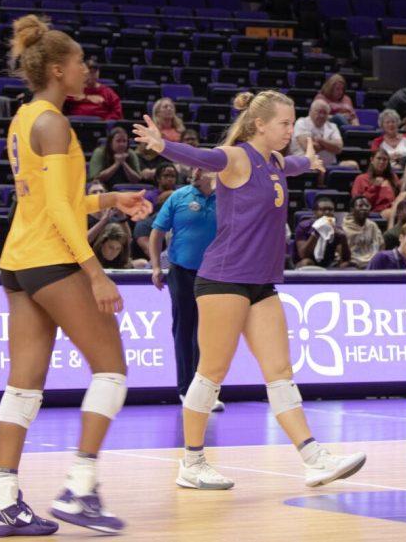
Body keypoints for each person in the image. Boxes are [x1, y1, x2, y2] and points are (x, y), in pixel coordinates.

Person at [133, 92, 366, 491]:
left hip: (261, 281)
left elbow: (289, 166)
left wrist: (307, 162)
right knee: (211, 373)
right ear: (260, 124)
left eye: (293, 124)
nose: (291, 130)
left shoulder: (275, 160)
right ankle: (191, 462)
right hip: (224, 278)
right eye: (284, 124)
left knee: (280, 372)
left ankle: (314, 458)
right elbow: (203, 158)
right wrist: (163, 145)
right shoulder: (237, 156)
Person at [0, 15, 151, 536]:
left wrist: (110, 198)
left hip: (18, 261)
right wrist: (95, 273)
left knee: (24, 384)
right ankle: (79, 489)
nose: (86, 69)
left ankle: (1, 498)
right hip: (51, 258)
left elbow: (55, 199)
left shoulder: (26, 117)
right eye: (79, 61)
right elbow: (57, 210)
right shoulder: (53, 122)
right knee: (112, 370)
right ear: (57, 68)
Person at [150, 169, 220, 406]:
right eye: (195, 168)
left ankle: (207, 391)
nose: (196, 171)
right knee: (184, 329)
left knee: (210, 334)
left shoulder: (227, 199)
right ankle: (185, 388)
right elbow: (157, 231)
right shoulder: (179, 196)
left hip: (214, 275)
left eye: (201, 167)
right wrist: (156, 267)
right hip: (181, 272)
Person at [295, 196, 352, 268]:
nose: (327, 212)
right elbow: (303, 255)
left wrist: (343, 238)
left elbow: (345, 258)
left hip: (329, 263)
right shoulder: (304, 227)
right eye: (323, 210)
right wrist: (316, 233)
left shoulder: (337, 229)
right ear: (315, 212)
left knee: (345, 264)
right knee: (306, 262)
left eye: (330, 210)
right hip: (307, 263)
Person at [63, 56, 121, 121]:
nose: (92, 75)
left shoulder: (107, 92)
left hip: (99, 127)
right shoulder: (73, 88)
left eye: (94, 72)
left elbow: (117, 112)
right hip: (74, 125)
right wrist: (87, 98)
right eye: (90, 71)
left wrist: (104, 123)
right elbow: (63, 99)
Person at [290, 98, 344, 167]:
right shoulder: (301, 123)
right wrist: (330, 146)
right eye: (319, 112)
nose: (321, 115)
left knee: (352, 165)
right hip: (305, 165)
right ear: (310, 111)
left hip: (329, 165)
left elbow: (339, 148)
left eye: (325, 113)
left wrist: (321, 141)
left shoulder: (332, 126)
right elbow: (308, 147)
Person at [342, 195, 384, 269]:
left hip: (373, 263)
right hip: (353, 264)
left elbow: (381, 245)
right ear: (352, 209)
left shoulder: (372, 225)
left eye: (367, 206)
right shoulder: (344, 227)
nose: (364, 208)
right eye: (360, 206)